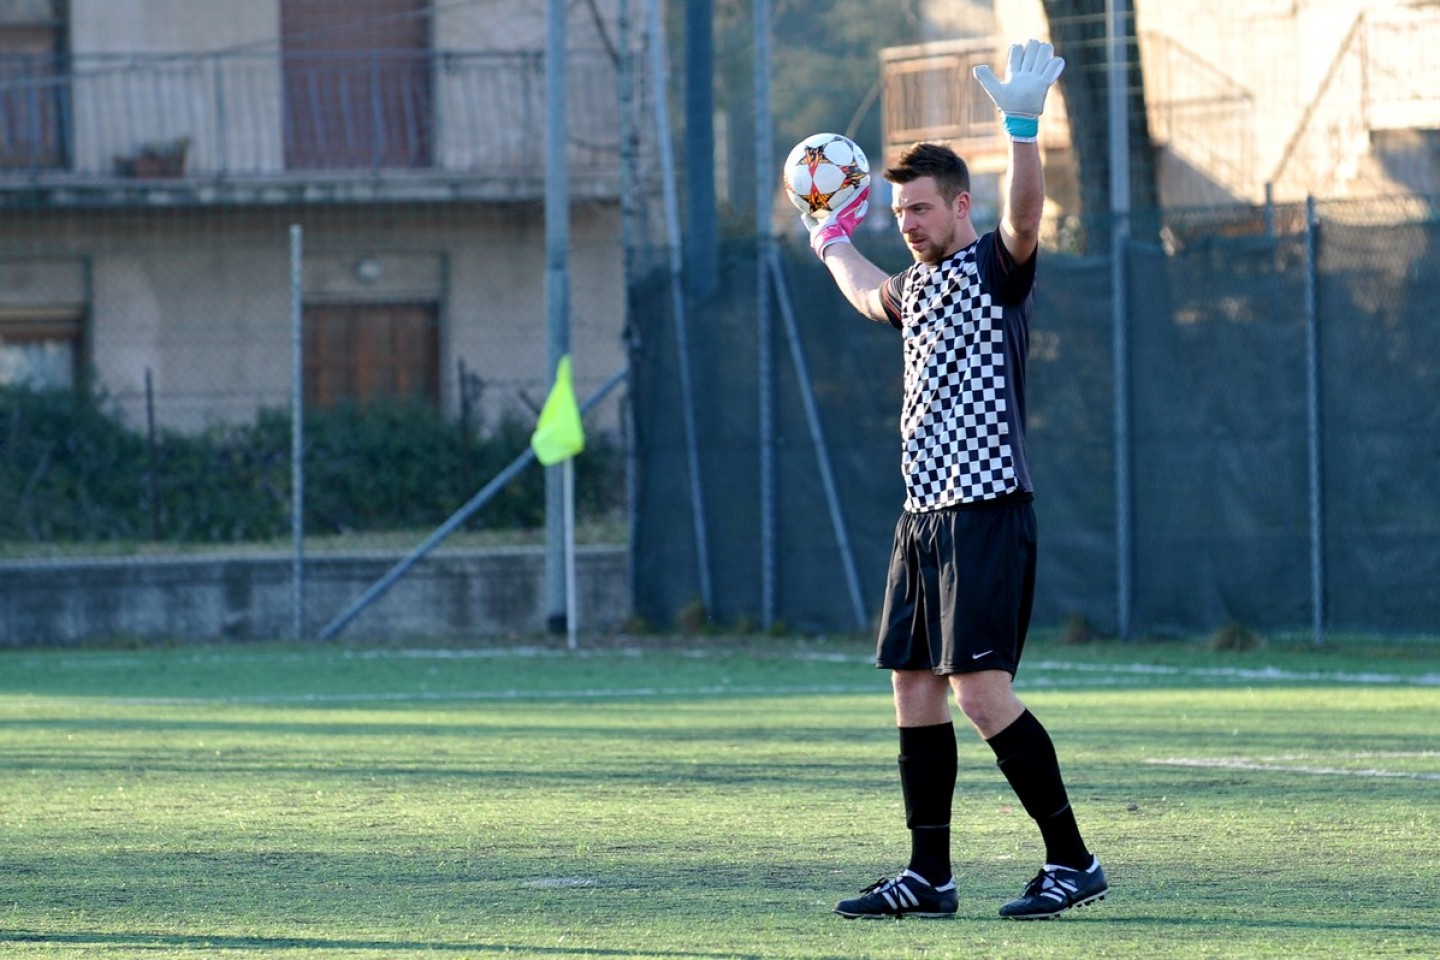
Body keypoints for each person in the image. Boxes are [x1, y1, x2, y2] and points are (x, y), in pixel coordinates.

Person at [800, 39, 1108, 921]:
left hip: (986, 510)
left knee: (980, 692)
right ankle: (929, 878)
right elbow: (867, 292)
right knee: (913, 686)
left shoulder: (991, 269)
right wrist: (829, 238)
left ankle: (1073, 861)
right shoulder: (918, 285)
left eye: (921, 208)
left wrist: (1022, 130)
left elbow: (1024, 216)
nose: (906, 222)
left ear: (957, 207)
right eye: (899, 211)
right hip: (923, 518)